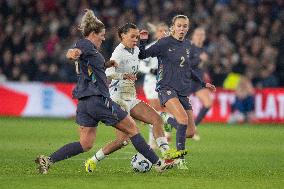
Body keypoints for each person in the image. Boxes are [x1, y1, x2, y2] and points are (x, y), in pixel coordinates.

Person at [35, 9, 176, 174]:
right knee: (132, 130)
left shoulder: (94, 52)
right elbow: (75, 51)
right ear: (93, 33)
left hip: (85, 103)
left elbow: (96, 68)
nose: (103, 37)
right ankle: (159, 164)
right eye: (101, 34)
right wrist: (72, 53)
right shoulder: (86, 45)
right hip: (99, 100)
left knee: (85, 144)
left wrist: (108, 64)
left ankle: (49, 160)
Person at [82, 23, 186, 172]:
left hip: (131, 97)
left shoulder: (136, 49)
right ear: (122, 36)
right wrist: (123, 75)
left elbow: (146, 53)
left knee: (156, 120)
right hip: (118, 99)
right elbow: (107, 73)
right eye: (133, 36)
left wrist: (144, 41)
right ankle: (92, 161)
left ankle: (166, 155)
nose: (135, 39)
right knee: (122, 141)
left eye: (137, 36)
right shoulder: (119, 53)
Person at [139, 15, 216, 169]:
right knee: (182, 119)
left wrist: (203, 83)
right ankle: (180, 160)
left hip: (182, 90)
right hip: (166, 88)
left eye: (185, 26)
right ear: (173, 27)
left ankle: (164, 116)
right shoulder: (164, 43)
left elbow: (188, 68)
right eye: (179, 26)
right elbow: (142, 55)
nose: (182, 29)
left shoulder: (187, 45)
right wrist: (142, 42)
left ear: (188, 28)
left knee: (190, 132)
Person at [163, 27, 213, 141]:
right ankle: (168, 129)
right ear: (194, 36)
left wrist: (205, 74)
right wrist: (199, 60)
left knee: (208, 103)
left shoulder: (203, 50)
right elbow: (186, 63)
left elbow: (201, 67)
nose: (200, 36)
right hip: (186, 81)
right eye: (198, 34)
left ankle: (193, 127)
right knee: (174, 110)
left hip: (197, 82)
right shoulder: (189, 47)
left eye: (202, 34)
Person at [138, 22, 170, 148]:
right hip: (151, 83)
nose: (163, 33)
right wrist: (150, 70)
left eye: (165, 30)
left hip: (167, 83)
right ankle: (154, 140)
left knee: (167, 109)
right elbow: (140, 64)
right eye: (160, 30)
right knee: (156, 111)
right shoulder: (151, 47)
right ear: (156, 33)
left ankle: (163, 135)